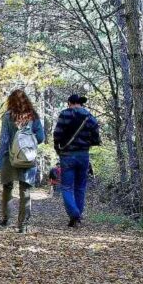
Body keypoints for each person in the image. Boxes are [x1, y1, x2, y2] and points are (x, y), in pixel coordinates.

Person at [0, 89, 45, 233]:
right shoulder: (33, 117)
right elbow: (41, 137)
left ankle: (5, 219)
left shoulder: (7, 117)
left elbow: (3, 140)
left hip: (9, 157)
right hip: (27, 157)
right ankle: (23, 225)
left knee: (7, 187)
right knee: (25, 189)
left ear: (11, 101)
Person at [52, 94, 101, 227]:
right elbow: (96, 138)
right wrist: (87, 143)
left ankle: (74, 214)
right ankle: (77, 216)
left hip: (67, 155)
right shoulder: (89, 116)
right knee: (80, 187)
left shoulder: (65, 114)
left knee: (66, 187)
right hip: (83, 155)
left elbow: (57, 134)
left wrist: (58, 147)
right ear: (80, 103)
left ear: (69, 102)